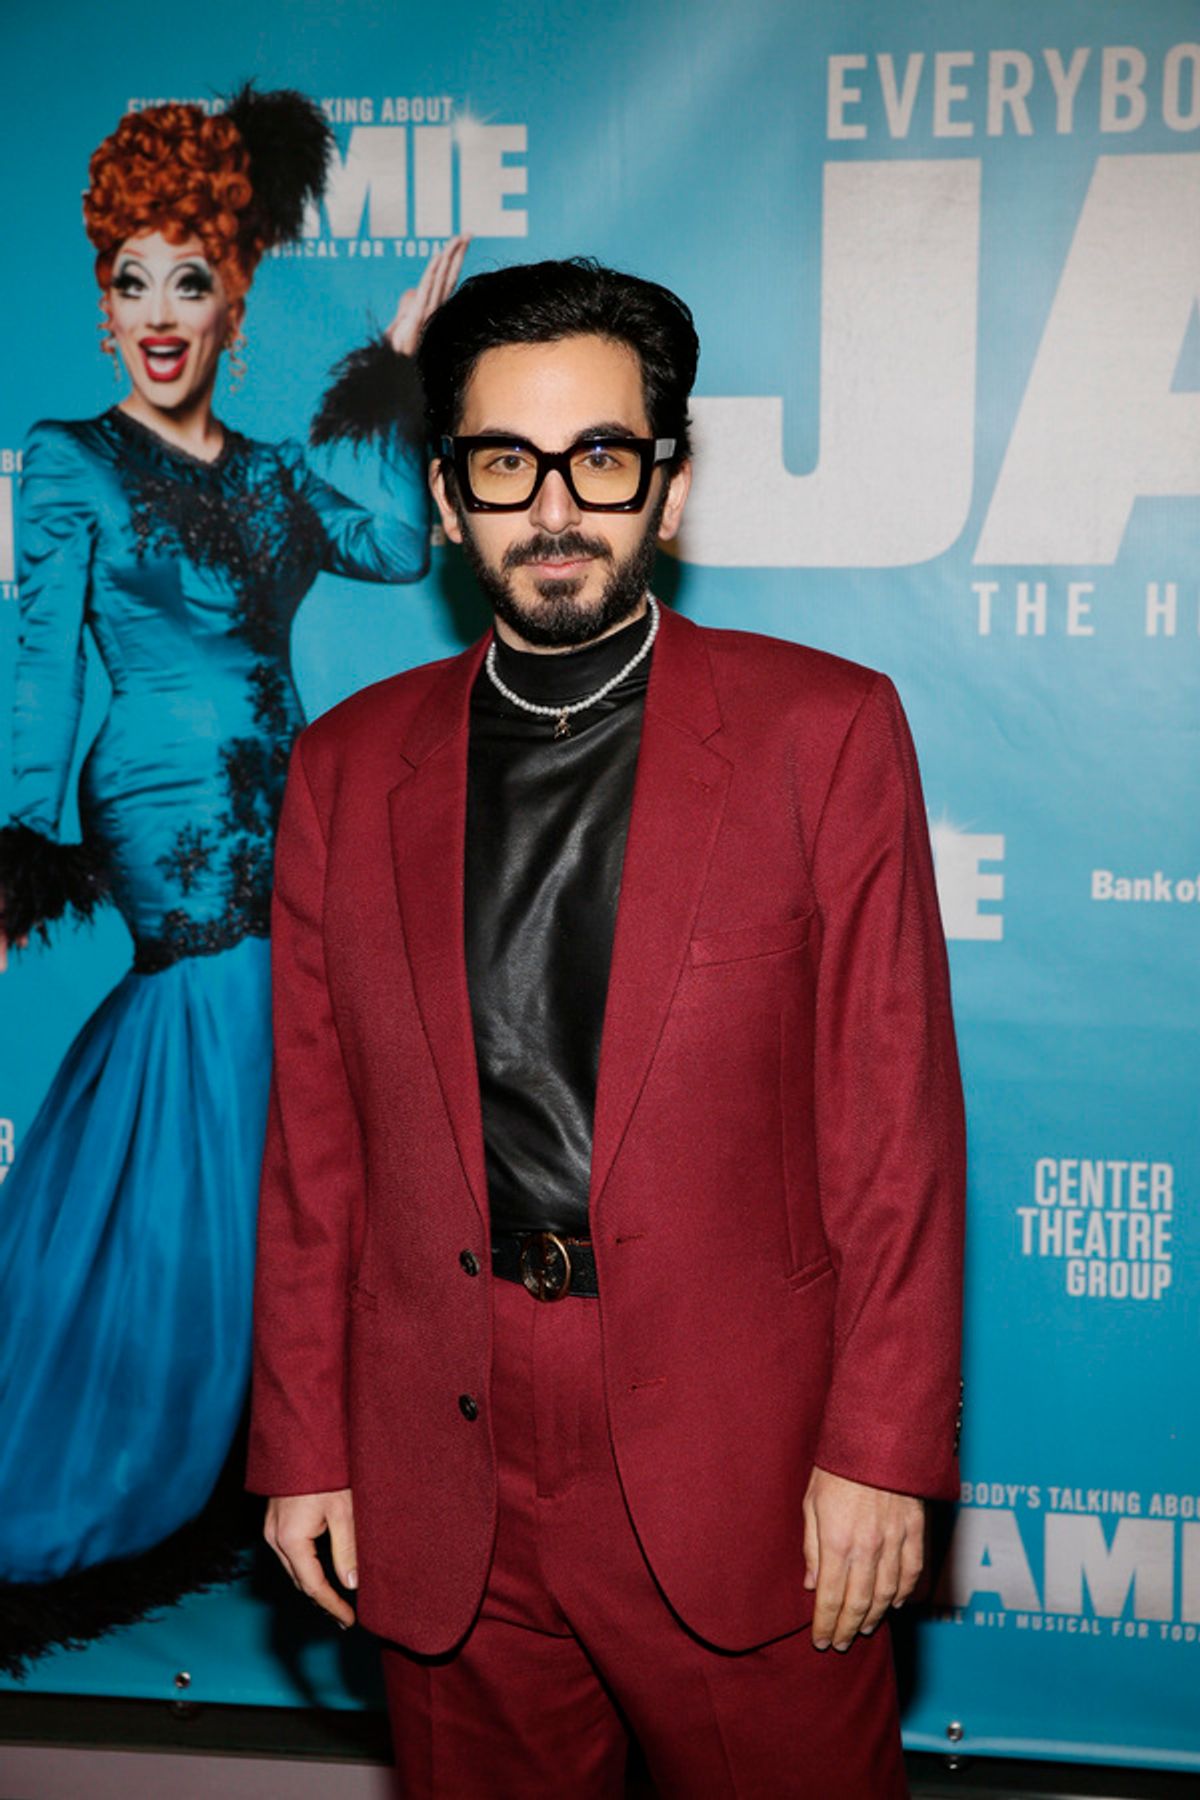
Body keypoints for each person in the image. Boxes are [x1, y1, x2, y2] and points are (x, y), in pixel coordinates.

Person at [250, 258, 965, 1797]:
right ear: (448, 498)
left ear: (671, 486)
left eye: (603, 458)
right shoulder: (345, 769)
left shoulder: (823, 735)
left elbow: (894, 1133)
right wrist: (306, 1439)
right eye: (504, 463)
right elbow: (317, 1147)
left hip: (744, 1453)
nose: (554, 506)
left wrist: (884, 1450)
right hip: (446, 1451)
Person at [0, 86, 466, 1657]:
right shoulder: (69, 461)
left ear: (232, 297)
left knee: (295, 1090)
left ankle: (277, 1443)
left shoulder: (275, 478)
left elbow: (403, 545)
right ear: (101, 299)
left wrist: (405, 367)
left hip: (294, 799)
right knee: (211, 1048)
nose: (154, 315)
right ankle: (165, 1460)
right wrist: (10, 852)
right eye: (127, 282)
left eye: (185, 280)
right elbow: (36, 669)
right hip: (163, 805)